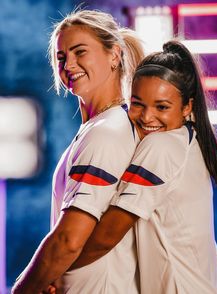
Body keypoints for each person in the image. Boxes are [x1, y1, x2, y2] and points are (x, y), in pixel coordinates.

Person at [71, 41, 217, 293]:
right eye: (137, 104)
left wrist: (56, 272)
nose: (147, 117)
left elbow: (106, 237)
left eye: (162, 107)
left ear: (187, 106)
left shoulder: (162, 146)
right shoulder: (188, 139)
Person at [12, 9, 144, 294]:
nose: (69, 64)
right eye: (61, 57)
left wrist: (22, 290)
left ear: (114, 55)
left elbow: (68, 240)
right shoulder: (102, 127)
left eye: (79, 52)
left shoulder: (106, 133)